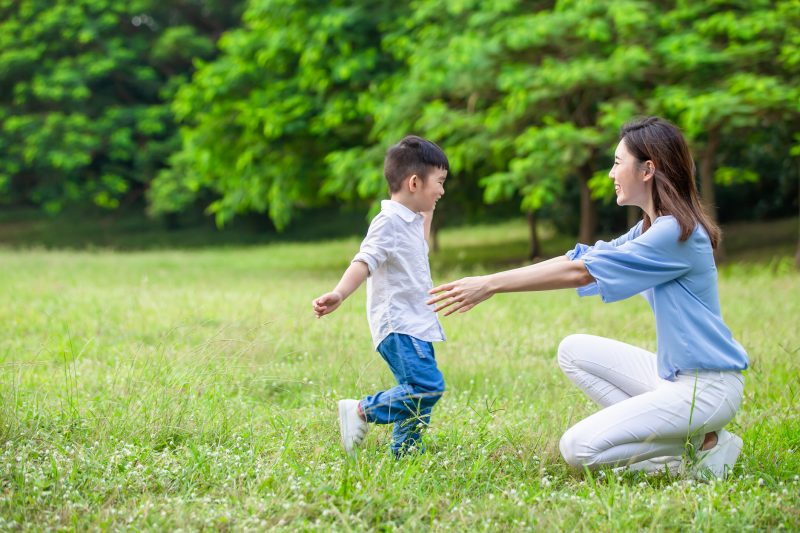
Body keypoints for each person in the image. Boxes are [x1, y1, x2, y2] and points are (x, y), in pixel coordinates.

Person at [427, 117, 749, 479]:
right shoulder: (650, 229)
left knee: (577, 448)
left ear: (648, 170)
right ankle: (700, 442)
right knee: (573, 350)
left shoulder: (674, 233)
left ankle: (698, 446)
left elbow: (582, 273)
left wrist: (491, 285)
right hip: (674, 378)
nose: (611, 174)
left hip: (708, 388)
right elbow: (580, 259)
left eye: (616, 162)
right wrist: (491, 280)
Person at [312, 135, 449, 457]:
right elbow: (365, 260)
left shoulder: (411, 221)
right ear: (414, 182)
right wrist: (339, 293)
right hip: (399, 324)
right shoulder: (388, 221)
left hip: (417, 323)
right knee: (427, 388)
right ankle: (361, 410)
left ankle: (405, 454)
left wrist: (427, 209)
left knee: (414, 393)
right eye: (439, 182)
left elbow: (421, 233)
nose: (442, 191)